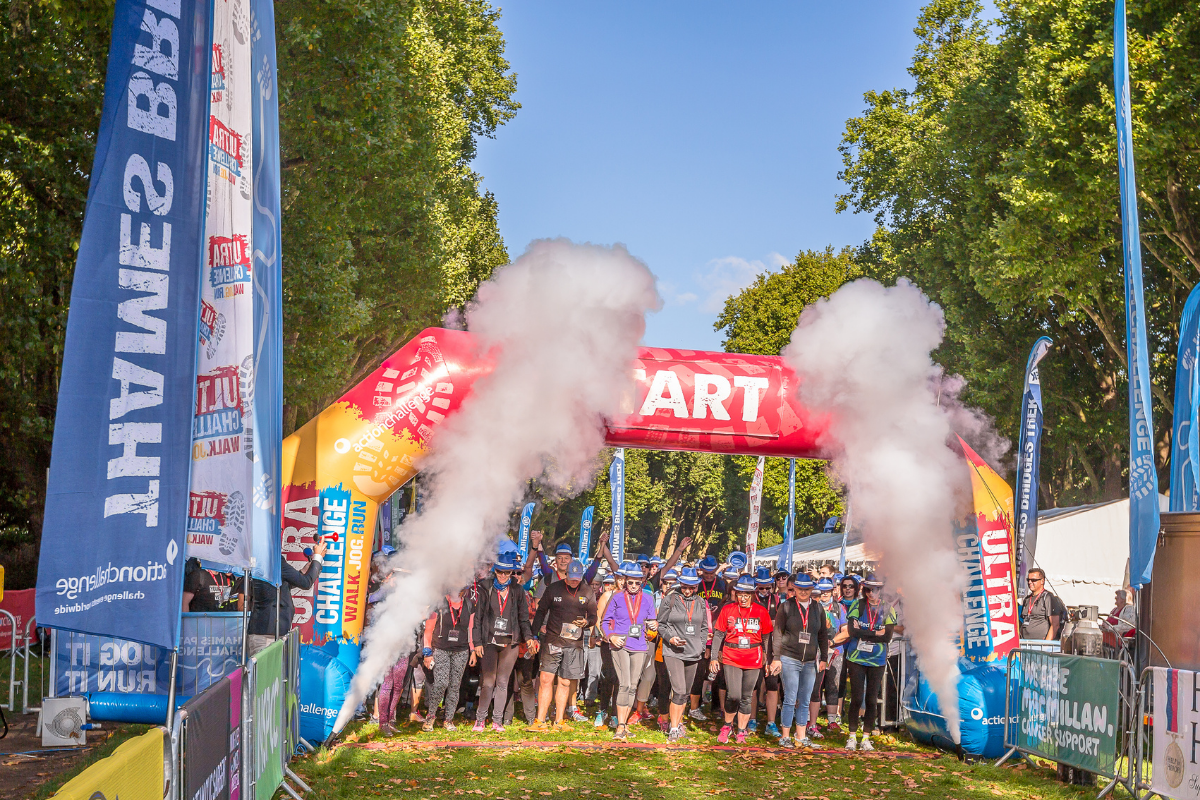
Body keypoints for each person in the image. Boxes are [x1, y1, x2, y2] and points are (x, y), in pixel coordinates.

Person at [529, 559, 597, 731]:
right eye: (571, 577)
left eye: (577, 578)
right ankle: (540, 720)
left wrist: (587, 622)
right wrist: (533, 635)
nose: (574, 581)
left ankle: (559, 720)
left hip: (574, 644)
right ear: (566, 575)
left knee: (565, 681)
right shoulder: (554, 588)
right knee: (546, 679)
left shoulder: (587, 590)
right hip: (553, 640)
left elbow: (594, 616)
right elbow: (541, 612)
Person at [471, 551, 535, 732]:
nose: (503, 576)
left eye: (507, 573)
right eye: (500, 572)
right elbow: (478, 618)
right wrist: (477, 642)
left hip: (510, 642)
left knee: (502, 682)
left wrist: (529, 638)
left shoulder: (517, 590)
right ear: (495, 571)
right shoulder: (485, 587)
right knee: (488, 682)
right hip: (489, 641)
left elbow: (523, 618)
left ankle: (497, 721)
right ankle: (480, 719)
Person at [709, 574, 774, 744]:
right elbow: (718, 635)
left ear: (753, 594)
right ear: (735, 593)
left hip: (753, 657)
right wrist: (714, 657)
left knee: (747, 696)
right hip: (732, 656)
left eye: (746, 595)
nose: (743, 598)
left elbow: (766, 636)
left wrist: (768, 657)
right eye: (740, 594)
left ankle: (741, 730)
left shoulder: (761, 610)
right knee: (734, 695)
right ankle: (727, 725)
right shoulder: (728, 609)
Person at [600, 561, 658, 740]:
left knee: (633, 685)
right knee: (624, 684)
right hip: (620, 645)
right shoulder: (617, 597)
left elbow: (652, 622)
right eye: (630, 582)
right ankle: (620, 725)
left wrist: (654, 625)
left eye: (637, 583)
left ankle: (623, 725)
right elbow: (604, 621)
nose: (633, 586)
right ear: (624, 581)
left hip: (640, 646)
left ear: (642, 582)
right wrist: (611, 636)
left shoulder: (648, 598)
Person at [770, 574, 829, 748]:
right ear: (794, 589)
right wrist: (776, 658)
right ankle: (785, 735)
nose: (803, 592)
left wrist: (824, 657)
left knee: (805, 699)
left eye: (807, 589)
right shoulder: (786, 606)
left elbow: (823, 635)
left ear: (812, 590)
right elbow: (778, 633)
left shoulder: (818, 609)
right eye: (800, 589)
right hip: (789, 658)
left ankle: (801, 735)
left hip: (810, 660)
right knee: (790, 697)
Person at [844, 576, 897, 752]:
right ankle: (852, 736)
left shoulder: (888, 609)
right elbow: (852, 631)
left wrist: (864, 632)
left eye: (875, 590)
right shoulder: (857, 605)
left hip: (877, 660)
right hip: (857, 658)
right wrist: (875, 633)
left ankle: (866, 737)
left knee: (871, 699)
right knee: (857, 697)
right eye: (868, 589)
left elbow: (888, 636)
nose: (871, 593)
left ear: (881, 590)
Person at [246, 542, 326, 655]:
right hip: (268, 634)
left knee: (274, 672)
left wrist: (304, 571)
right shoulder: (273, 560)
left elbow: (283, 585)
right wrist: (318, 557)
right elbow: (305, 583)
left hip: (269, 632)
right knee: (267, 672)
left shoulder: (265, 558)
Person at [421, 587, 475, 731]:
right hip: (441, 649)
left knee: (455, 686)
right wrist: (427, 652)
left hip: (461, 650)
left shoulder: (469, 605)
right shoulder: (438, 603)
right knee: (441, 683)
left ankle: (448, 719)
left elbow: (470, 629)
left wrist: (473, 650)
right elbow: (428, 630)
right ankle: (431, 716)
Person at [810, 578, 847, 736]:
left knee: (833, 685)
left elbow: (846, 631)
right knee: (815, 685)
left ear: (833, 591)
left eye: (827, 591)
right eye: (822, 591)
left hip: (835, 652)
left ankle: (832, 721)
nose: (824, 594)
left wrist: (832, 642)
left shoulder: (840, 608)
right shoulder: (812, 607)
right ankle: (811, 721)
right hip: (816, 651)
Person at [753, 566, 782, 737]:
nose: (764, 590)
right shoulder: (752, 599)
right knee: (754, 686)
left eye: (767, 587)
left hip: (772, 648)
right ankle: (751, 719)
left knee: (772, 685)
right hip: (755, 647)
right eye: (761, 587)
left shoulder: (777, 600)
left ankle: (771, 723)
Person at [1021, 568, 1066, 641]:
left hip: (1040, 645)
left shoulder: (1048, 597)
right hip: (1025, 643)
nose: (1029, 582)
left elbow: (1055, 625)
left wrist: (1046, 645)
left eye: (1033, 580)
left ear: (1042, 581)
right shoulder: (1027, 599)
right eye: (1028, 580)